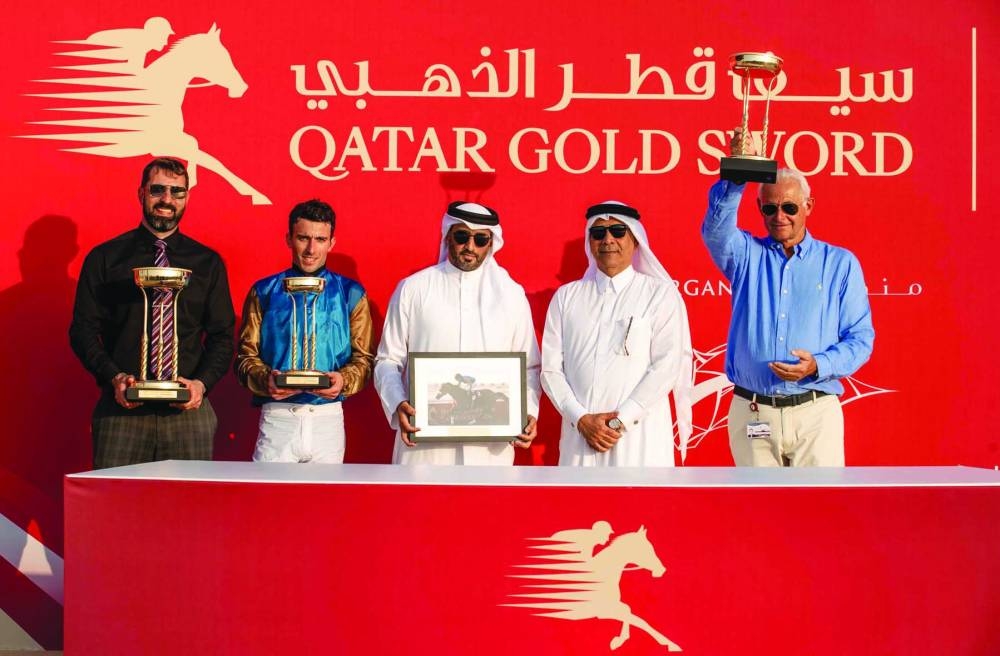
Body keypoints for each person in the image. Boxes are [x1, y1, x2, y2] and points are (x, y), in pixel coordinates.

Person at [701, 132, 875, 466]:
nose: (780, 216)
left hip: (815, 412)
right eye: (770, 207)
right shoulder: (745, 255)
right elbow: (716, 231)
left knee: (821, 514)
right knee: (755, 515)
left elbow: (861, 338)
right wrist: (739, 176)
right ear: (760, 208)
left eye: (790, 207)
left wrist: (818, 365)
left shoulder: (839, 263)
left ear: (809, 206)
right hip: (753, 413)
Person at [69, 157, 235, 468]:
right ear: (141, 193)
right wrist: (114, 378)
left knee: (189, 510)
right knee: (115, 511)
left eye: (177, 192)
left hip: (188, 413)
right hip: (122, 412)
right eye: (158, 190)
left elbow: (222, 336)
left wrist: (201, 384)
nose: (167, 200)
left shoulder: (207, 263)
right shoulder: (105, 259)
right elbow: (83, 331)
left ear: (187, 197)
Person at [374, 201, 541, 465]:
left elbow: (530, 367)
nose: (470, 247)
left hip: (490, 452)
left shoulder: (511, 295)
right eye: (462, 236)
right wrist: (398, 403)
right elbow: (387, 360)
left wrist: (528, 411)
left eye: (480, 239)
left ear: (491, 242)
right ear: (448, 236)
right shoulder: (413, 289)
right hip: (423, 448)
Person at [541, 201, 693, 466]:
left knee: (642, 507)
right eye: (599, 233)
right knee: (578, 508)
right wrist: (582, 419)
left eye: (618, 231)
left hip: (639, 437)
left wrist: (618, 421)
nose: (608, 239)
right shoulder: (567, 297)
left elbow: (667, 365)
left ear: (635, 240)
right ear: (590, 242)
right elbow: (550, 370)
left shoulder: (659, 294)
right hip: (581, 438)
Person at [234, 199, 374, 463]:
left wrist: (343, 381)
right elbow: (244, 358)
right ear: (288, 239)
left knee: (324, 503)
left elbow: (364, 359)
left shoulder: (351, 293)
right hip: (278, 418)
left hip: (328, 420)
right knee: (269, 502)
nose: (311, 249)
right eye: (303, 238)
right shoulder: (264, 291)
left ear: (332, 242)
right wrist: (267, 380)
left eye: (320, 239)